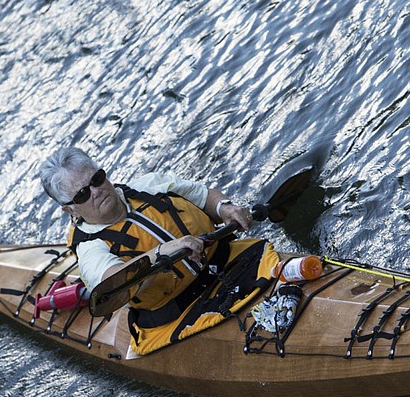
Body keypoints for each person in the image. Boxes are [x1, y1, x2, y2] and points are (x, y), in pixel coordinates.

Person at [39, 146, 280, 355]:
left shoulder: (150, 185)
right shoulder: (91, 251)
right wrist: (161, 252)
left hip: (235, 261)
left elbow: (204, 196)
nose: (96, 191)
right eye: (82, 194)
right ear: (70, 211)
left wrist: (226, 209)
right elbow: (115, 282)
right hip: (182, 314)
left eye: (97, 179)